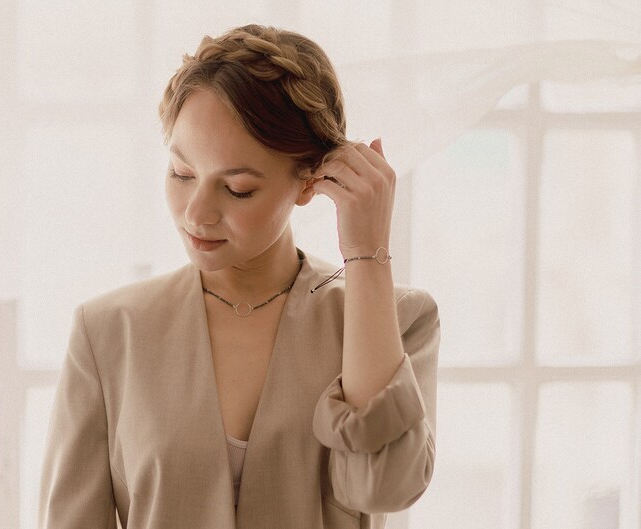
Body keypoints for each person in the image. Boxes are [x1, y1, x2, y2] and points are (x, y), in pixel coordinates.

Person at [37, 24, 440, 529]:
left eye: (238, 188)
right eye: (182, 174)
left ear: (309, 181)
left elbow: (385, 487)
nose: (197, 214)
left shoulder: (397, 320)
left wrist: (366, 255)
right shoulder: (108, 333)